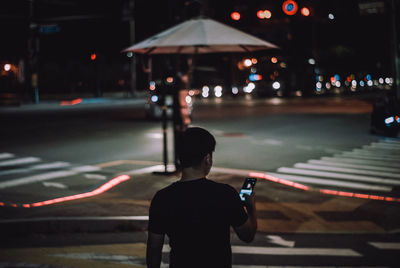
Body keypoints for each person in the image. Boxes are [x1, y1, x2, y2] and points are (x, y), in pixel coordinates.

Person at [146, 127, 257, 268]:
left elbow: (154, 248)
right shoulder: (225, 194)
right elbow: (247, 235)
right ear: (208, 159)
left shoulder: (162, 198)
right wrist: (251, 208)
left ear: (180, 158)